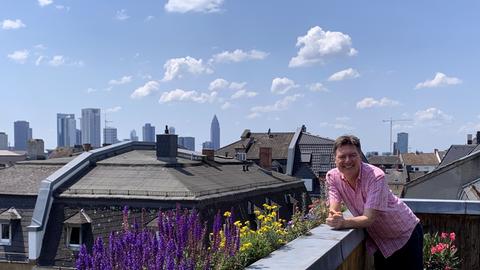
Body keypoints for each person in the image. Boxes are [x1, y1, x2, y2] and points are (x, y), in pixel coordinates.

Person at [325, 135, 423, 270]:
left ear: (360, 156)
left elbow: (369, 218)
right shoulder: (332, 177)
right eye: (342, 156)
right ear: (335, 159)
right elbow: (334, 209)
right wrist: (334, 216)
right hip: (380, 242)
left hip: (405, 234)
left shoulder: (375, 176)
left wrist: (343, 222)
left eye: (352, 155)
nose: (347, 160)